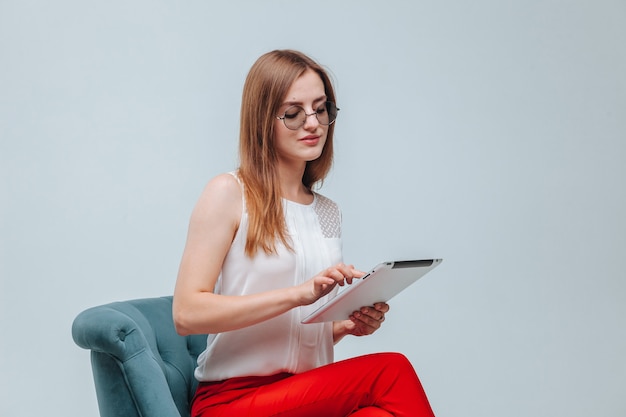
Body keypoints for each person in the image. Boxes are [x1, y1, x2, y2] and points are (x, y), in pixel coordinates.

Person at [173, 49, 435, 417]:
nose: (312, 123)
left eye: (321, 109)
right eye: (293, 114)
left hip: (303, 395)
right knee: (390, 372)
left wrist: (343, 327)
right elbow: (187, 313)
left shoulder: (328, 211)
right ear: (264, 120)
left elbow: (289, 337)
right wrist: (299, 294)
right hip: (233, 401)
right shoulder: (229, 193)